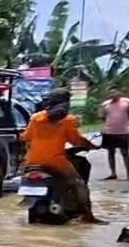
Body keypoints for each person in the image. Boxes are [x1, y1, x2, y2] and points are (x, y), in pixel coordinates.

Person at [21, 90, 106, 224]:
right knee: (78, 183)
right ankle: (88, 216)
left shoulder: (35, 118)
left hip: (32, 161)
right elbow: (76, 141)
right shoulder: (68, 120)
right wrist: (91, 146)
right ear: (66, 102)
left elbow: (26, 137)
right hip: (55, 161)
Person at [99, 87, 129, 180]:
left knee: (125, 152)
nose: (112, 95)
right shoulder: (105, 104)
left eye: (114, 92)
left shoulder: (128, 102)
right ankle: (113, 173)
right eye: (110, 93)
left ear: (119, 93)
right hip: (109, 131)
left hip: (123, 131)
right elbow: (102, 116)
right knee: (111, 152)